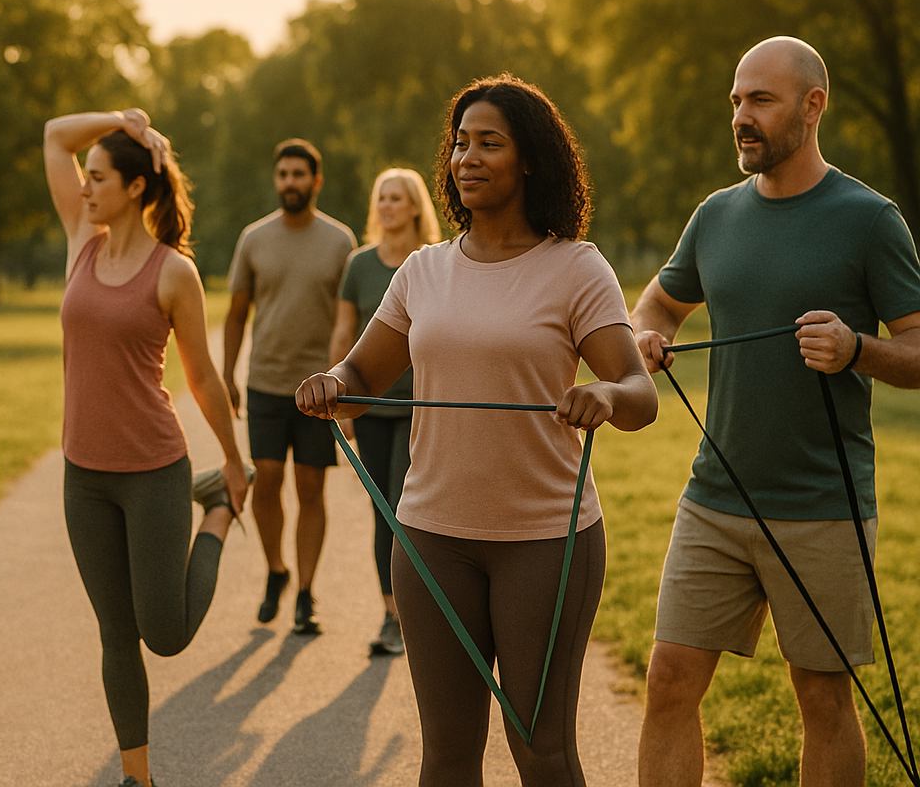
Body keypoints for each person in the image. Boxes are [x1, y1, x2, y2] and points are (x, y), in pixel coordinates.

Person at [298, 76, 657, 785]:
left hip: (545, 543)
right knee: (448, 756)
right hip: (430, 540)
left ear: (530, 159)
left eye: (489, 143)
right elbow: (362, 381)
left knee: (541, 751)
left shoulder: (576, 267)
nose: (468, 157)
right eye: (460, 143)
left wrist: (606, 395)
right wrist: (332, 385)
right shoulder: (423, 271)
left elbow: (640, 393)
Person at [632, 37, 920, 787]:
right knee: (667, 680)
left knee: (821, 699)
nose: (741, 116)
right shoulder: (716, 215)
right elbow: (661, 298)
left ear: (812, 106)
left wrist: (857, 348)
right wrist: (646, 333)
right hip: (715, 498)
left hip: (823, 506)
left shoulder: (870, 218)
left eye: (760, 99)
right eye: (736, 100)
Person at [44, 108, 249, 787]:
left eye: (98, 178)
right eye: (86, 176)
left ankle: (214, 513)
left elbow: (203, 376)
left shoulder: (172, 273)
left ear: (134, 188)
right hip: (85, 475)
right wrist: (120, 120)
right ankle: (139, 776)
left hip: (156, 470)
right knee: (115, 633)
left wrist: (235, 460)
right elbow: (53, 135)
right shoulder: (82, 238)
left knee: (165, 633)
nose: (85, 187)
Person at [224, 138, 356, 633]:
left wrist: (346, 380)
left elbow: (350, 319)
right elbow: (236, 314)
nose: (290, 183)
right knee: (268, 483)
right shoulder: (253, 239)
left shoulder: (340, 241)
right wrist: (227, 375)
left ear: (315, 181)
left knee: (311, 488)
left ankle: (305, 592)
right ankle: (276, 570)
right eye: (283, 175)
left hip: (319, 391)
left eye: (299, 175)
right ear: (275, 179)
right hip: (265, 383)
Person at [328, 166, 441, 656]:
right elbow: (344, 335)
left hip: (425, 409)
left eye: (397, 198)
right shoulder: (359, 265)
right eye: (382, 199)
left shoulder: (434, 263)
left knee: (416, 511)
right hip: (372, 407)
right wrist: (342, 398)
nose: (387, 206)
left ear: (416, 206)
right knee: (385, 513)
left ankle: (426, 613)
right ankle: (392, 617)